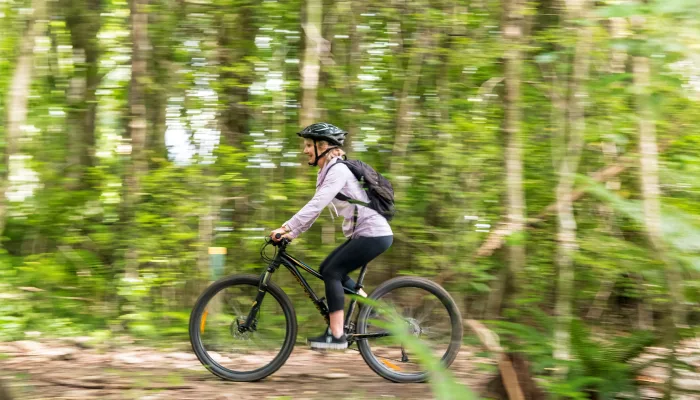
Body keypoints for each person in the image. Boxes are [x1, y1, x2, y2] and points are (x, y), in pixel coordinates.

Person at [270, 122, 393, 350]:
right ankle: (370, 309)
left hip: (374, 233)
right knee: (328, 267)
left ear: (324, 146)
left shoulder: (338, 171)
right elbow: (315, 212)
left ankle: (337, 336)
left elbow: (316, 205)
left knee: (332, 272)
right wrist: (291, 233)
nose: (305, 150)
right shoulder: (327, 172)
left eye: (308, 145)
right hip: (367, 234)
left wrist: (285, 226)